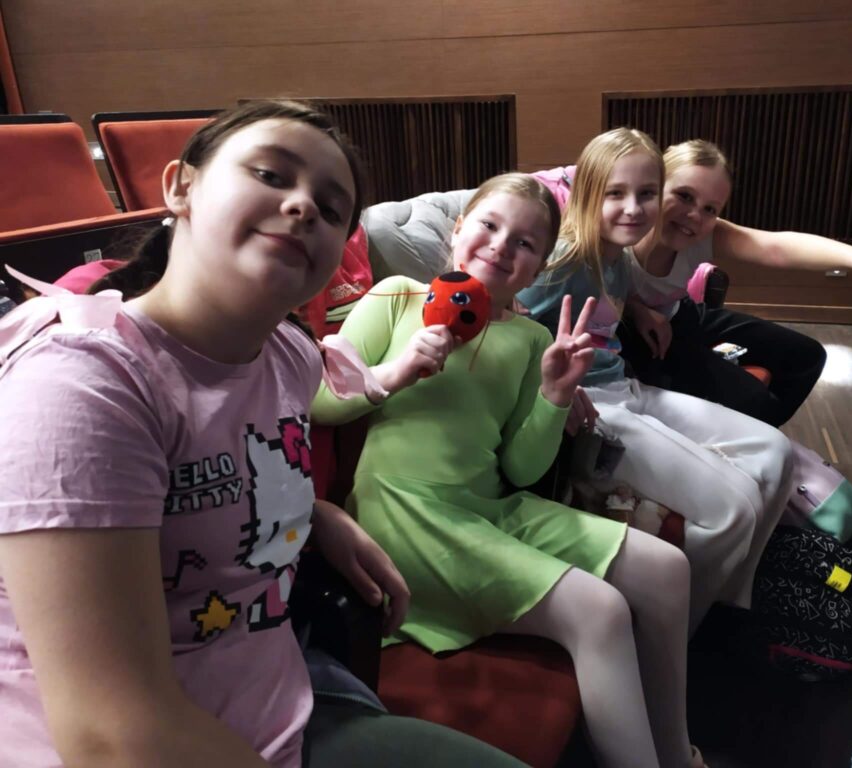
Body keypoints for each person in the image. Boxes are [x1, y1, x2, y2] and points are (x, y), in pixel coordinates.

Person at [0, 99, 525, 768]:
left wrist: (312, 512)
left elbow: (218, 470)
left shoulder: (289, 353)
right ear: (181, 187)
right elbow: (112, 737)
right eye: (272, 175)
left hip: (285, 700)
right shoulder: (80, 384)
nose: (303, 207)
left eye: (332, 209)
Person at [314, 172, 704, 768]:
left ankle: (677, 753)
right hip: (405, 514)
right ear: (457, 230)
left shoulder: (530, 338)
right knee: (599, 611)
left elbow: (521, 469)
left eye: (524, 243)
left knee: (669, 569)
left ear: (538, 266)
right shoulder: (396, 297)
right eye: (489, 226)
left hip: (486, 506)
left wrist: (553, 396)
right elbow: (319, 403)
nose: (501, 246)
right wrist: (392, 373)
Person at [516, 128, 793, 637]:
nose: (633, 208)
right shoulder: (562, 261)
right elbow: (510, 325)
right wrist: (551, 390)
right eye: (616, 193)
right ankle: (675, 631)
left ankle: (725, 599)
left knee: (778, 454)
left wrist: (641, 310)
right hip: (593, 406)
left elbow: (610, 299)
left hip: (625, 387)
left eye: (646, 193)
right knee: (734, 509)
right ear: (588, 193)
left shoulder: (618, 259)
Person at [622, 138, 852, 426]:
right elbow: (594, 287)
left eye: (710, 209)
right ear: (654, 186)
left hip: (680, 314)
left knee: (806, 357)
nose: (694, 215)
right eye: (684, 196)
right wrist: (635, 309)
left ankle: (761, 434)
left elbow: (775, 246)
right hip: (639, 337)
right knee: (752, 400)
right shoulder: (620, 227)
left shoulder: (705, 232)